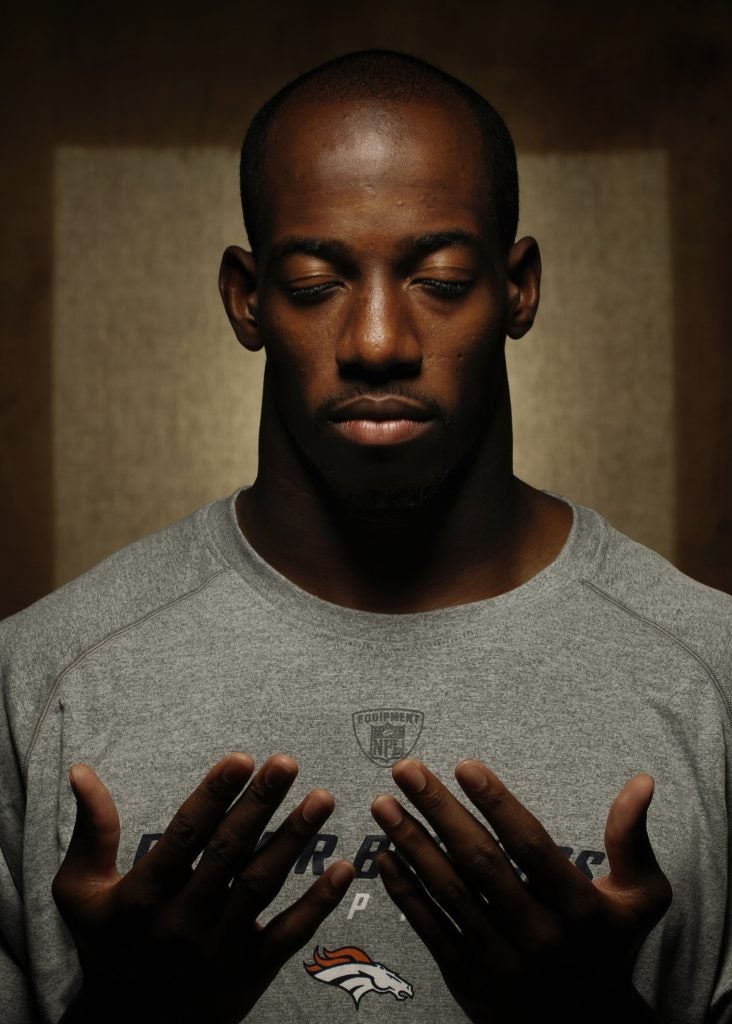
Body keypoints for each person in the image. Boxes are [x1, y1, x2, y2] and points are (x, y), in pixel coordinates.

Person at [1, 49, 730, 1024]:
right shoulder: (45, 674)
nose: (379, 339)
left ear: (517, 288)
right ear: (245, 297)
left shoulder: (710, 670)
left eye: (438, 277)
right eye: (314, 282)